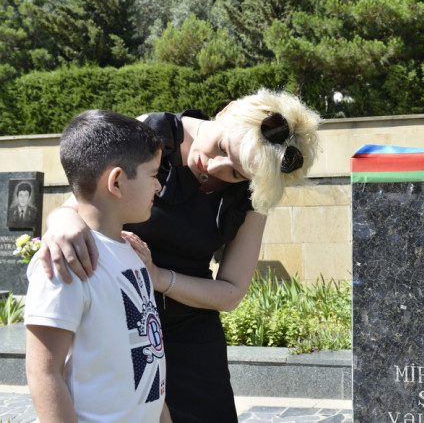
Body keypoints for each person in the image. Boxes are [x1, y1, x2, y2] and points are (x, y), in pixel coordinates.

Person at [37, 89, 321, 423]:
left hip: (191, 331)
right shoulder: (151, 132)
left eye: (235, 173)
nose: (213, 166)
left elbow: (231, 292)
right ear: (227, 110)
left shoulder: (258, 187)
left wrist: (158, 277)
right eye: (222, 148)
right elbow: (83, 199)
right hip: (120, 319)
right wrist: (61, 221)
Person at [24, 110, 170, 422]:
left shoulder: (134, 252)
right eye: (153, 174)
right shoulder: (66, 259)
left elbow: (151, 367)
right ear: (116, 181)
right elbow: (43, 373)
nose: (158, 186)